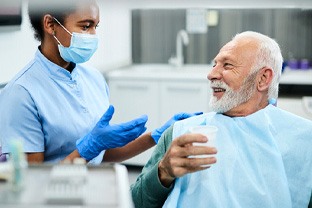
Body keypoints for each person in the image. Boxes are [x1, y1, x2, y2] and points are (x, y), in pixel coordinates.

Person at [0, 0, 201, 164]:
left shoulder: (93, 79)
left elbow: (102, 154)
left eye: (95, 27)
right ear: (50, 25)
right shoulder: (21, 93)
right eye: (85, 26)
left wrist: (157, 136)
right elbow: (31, 186)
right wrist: (87, 149)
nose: (93, 36)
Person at [130, 31, 312, 208]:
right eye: (214, 64)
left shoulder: (304, 141)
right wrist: (162, 172)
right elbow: (136, 202)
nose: (211, 75)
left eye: (227, 65)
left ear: (263, 79)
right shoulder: (181, 135)